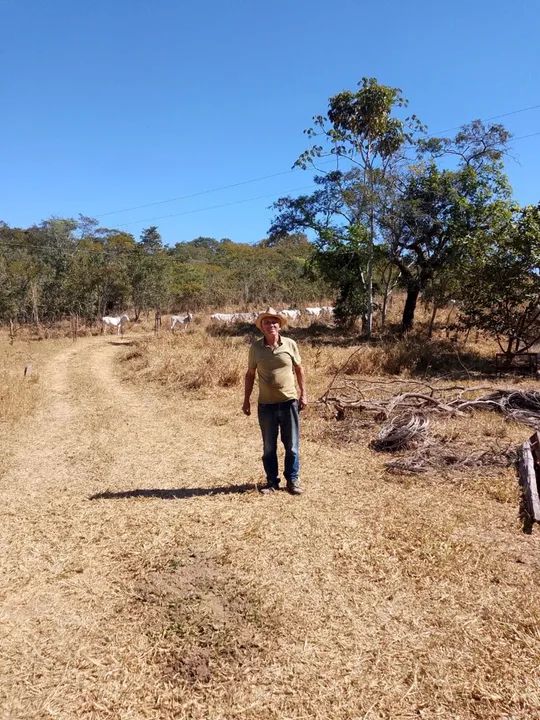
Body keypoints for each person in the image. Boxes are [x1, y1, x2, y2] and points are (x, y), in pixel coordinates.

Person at [242, 307, 307, 495]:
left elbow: (299, 369)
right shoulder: (255, 348)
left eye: (274, 322)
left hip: (289, 402)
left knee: (292, 445)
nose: (271, 325)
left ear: (279, 325)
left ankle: (292, 481)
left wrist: (304, 394)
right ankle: (272, 482)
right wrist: (246, 400)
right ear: (261, 327)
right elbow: (250, 374)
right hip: (266, 405)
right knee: (269, 447)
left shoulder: (290, 344)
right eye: (267, 322)